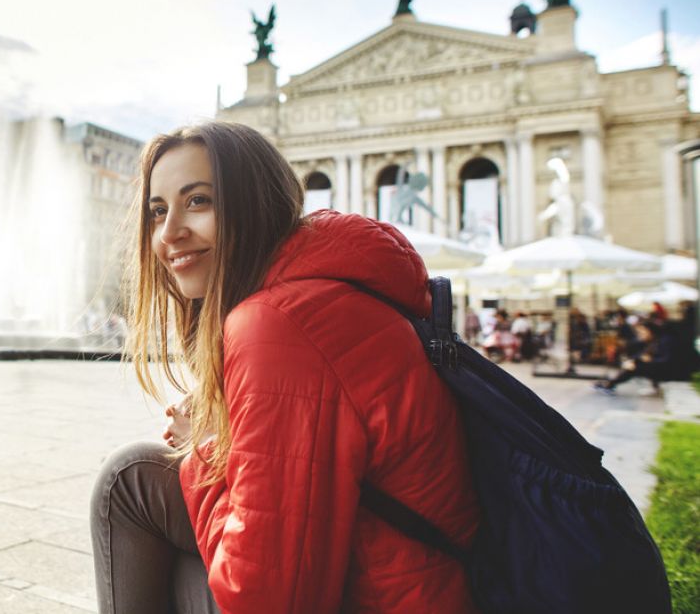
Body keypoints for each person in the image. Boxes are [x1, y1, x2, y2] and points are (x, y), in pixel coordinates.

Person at [90, 122, 478, 613]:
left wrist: (205, 448)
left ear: (254, 204)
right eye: (158, 211)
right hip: (411, 578)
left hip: (387, 599)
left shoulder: (278, 325)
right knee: (139, 476)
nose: (169, 234)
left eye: (199, 202)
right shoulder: (323, 289)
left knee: (126, 482)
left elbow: (267, 602)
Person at [594, 321, 671, 395]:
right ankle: (610, 383)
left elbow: (667, 360)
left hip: (667, 371)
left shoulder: (664, 341)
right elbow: (642, 354)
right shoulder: (653, 341)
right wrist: (632, 361)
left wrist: (649, 360)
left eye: (642, 332)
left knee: (635, 367)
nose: (640, 335)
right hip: (659, 367)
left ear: (649, 330)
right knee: (633, 364)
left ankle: (610, 384)